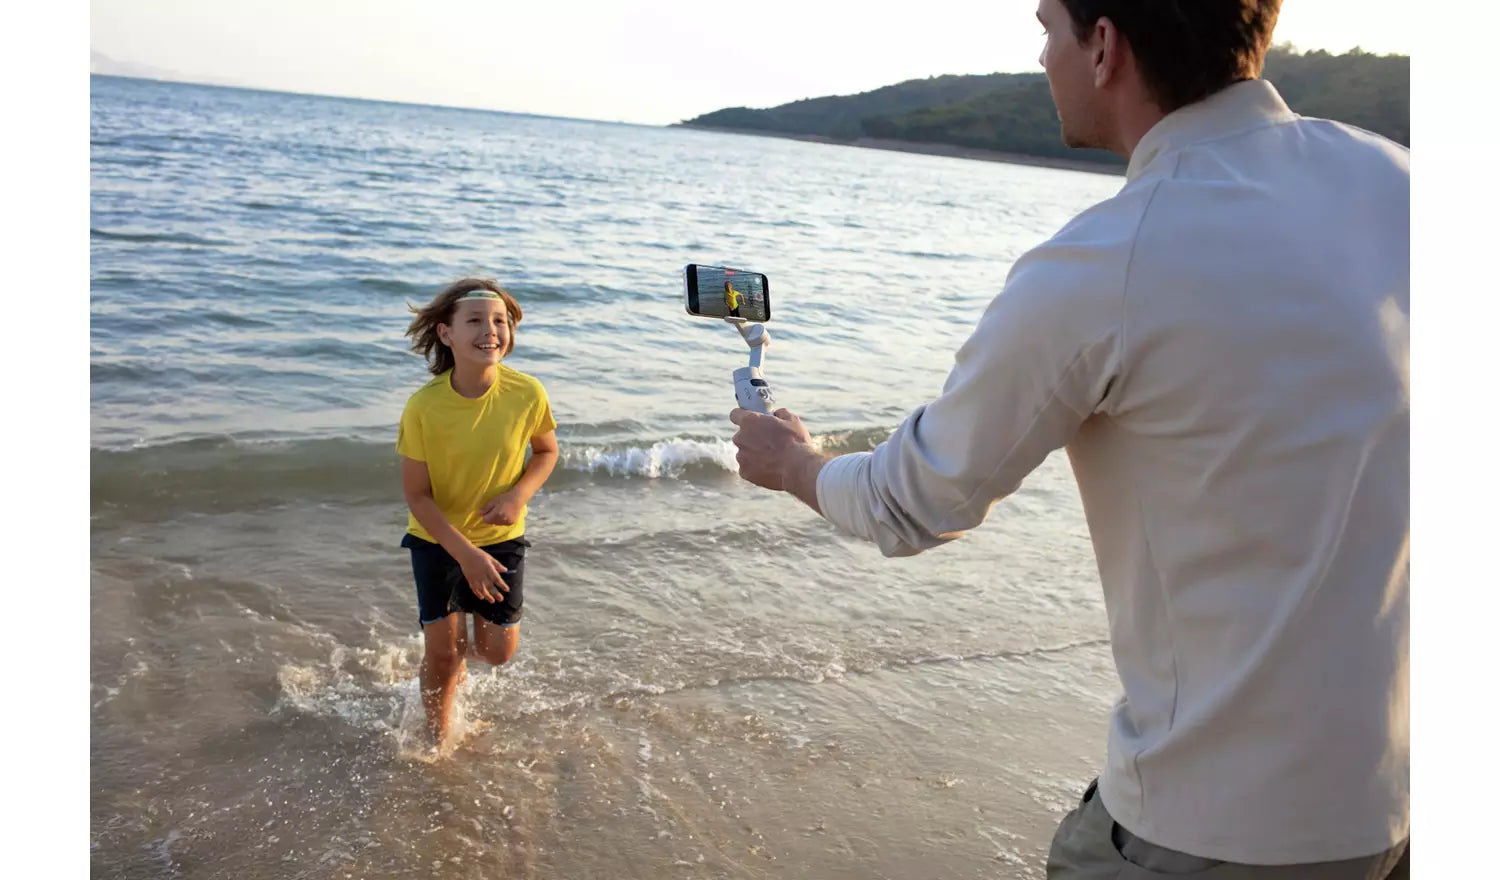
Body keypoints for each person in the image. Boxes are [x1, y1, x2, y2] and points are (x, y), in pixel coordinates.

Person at [728, 1, 1409, 876]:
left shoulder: (1112, 255)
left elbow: (911, 502)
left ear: (1104, 47)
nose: (1042, 55)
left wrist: (795, 464)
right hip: (1399, 800)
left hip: (1210, 831)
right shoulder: (1398, 183)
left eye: (1047, 27)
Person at [397, 278, 559, 747]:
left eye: (499, 321)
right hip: (437, 539)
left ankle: (447, 656)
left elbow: (546, 451)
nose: (490, 330)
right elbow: (417, 496)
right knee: (445, 655)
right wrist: (465, 555)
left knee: (498, 651)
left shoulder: (527, 393)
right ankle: (436, 736)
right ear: (445, 333)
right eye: (475, 321)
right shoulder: (423, 407)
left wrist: (517, 497)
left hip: (501, 539)